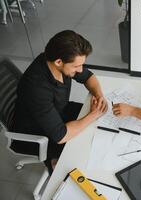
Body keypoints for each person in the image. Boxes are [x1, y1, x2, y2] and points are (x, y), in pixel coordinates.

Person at [12, 30, 108, 173]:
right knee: (82, 158)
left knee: (98, 129)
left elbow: (89, 77)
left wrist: (99, 96)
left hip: (58, 112)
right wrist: (93, 115)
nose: (80, 69)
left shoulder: (57, 61)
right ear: (58, 62)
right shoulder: (36, 87)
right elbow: (61, 135)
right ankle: (53, 164)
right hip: (37, 132)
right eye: (76, 66)